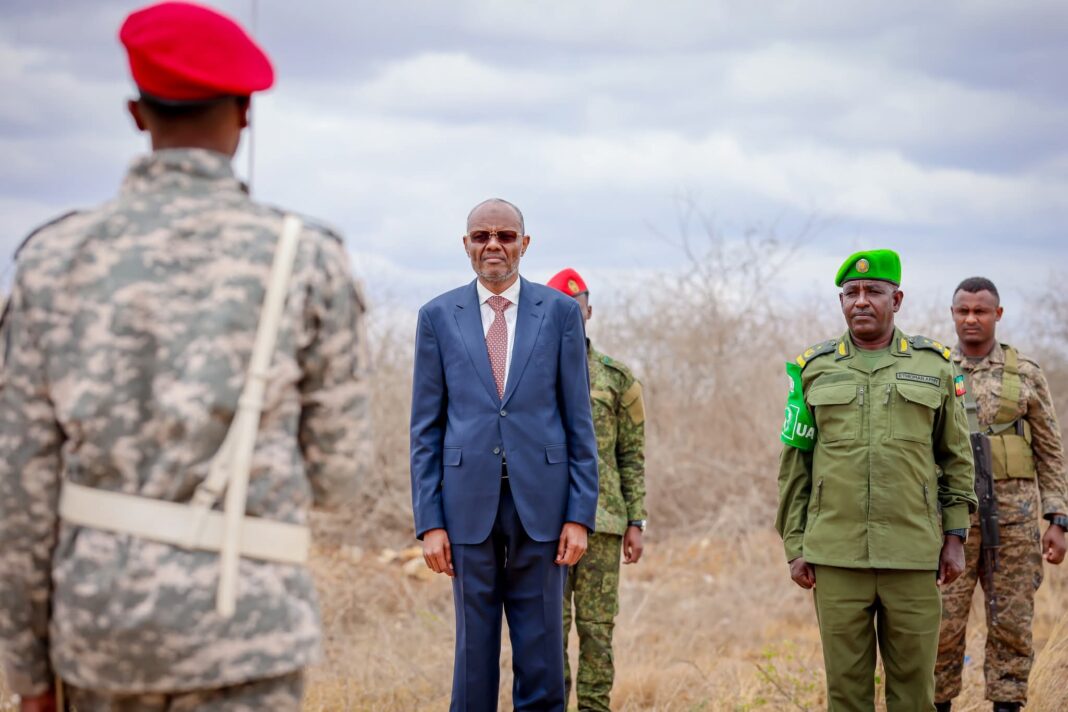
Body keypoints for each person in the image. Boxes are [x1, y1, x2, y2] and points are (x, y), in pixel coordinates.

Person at [0, 3, 370, 710]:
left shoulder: (52, 260)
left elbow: (19, 491)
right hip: (248, 628)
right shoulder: (305, 259)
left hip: (102, 633)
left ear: (137, 114)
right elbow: (340, 476)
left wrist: (27, 671)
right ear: (245, 114)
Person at [410, 200, 599, 711]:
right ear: (466, 244)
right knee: (473, 654)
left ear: (524, 244)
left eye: (505, 236)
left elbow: (579, 422)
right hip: (465, 508)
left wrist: (579, 515)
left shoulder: (559, 313)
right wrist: (430, 522)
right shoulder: (437, 317)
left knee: (542, 652)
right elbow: (425, 430)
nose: (493, 245)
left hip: (544, 508)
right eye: (482, 236)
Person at [775, 249, 977, 711]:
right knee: (846, 693)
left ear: (897, 300)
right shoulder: (813, 369)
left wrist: (955, 536)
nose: (861, 301)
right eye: (851, 293)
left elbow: (956, 458)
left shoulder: (935, 366)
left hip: (913, 553)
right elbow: (795, 466)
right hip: (836, 555)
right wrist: (795, 544)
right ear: (841, 302)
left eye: (874, 291)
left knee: (914, 694)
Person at [934, 277, 1068, 712]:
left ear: (998, 314)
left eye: (981, 311)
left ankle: (1007, 704)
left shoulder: (1024, 372)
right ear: (953, 314)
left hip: (1014, 521)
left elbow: (1049, 448)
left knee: (1012, 624)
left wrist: (1058, 518)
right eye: (963, 311)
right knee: (941, 624)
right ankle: (936, 702)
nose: (971, 319)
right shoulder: (936, 370)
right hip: (951, 523)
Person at [546, 268, 647, 712]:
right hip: (542, 524)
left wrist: (636, 520)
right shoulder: (528, 373)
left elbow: (632, 454)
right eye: (560, 309)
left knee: (597, 630)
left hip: (603, 523)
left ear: (589, 312)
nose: (570, 315)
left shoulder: (616, 378)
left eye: (577, 307)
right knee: (547, 631)